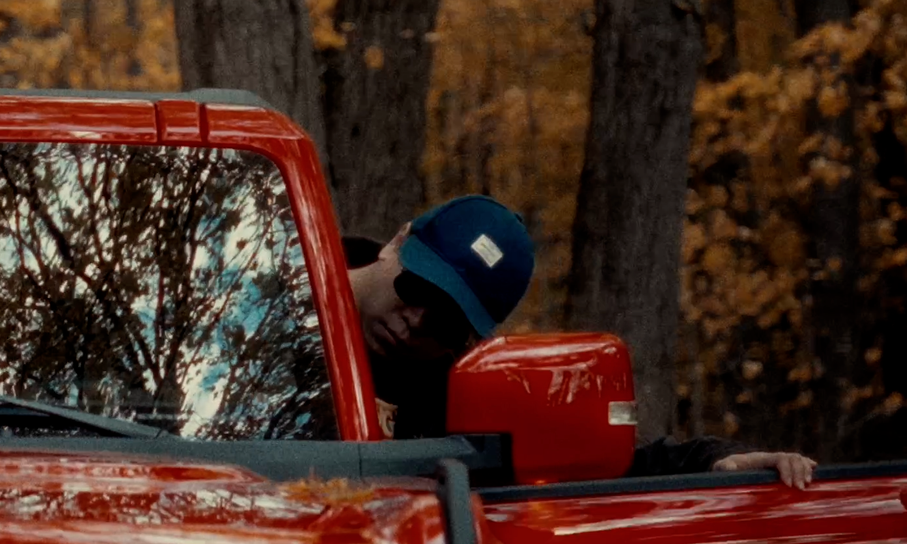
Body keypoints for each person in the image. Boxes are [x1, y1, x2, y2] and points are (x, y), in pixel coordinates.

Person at [346, 195, 816, 489]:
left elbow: (601, 456)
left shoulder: (458, 398)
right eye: (417, 289)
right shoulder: (277, 276)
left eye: (446, 323)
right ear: (397, 241)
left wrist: (717, 461)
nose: (415, 323)